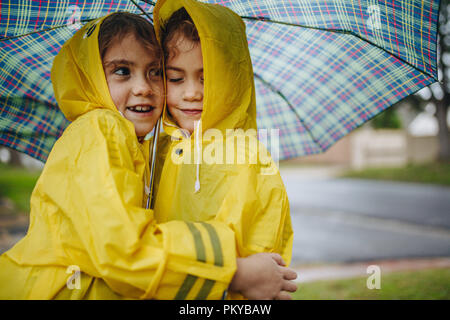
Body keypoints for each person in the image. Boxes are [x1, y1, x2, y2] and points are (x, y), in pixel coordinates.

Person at [0, 12, 295, 300]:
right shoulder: (101, 128)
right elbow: (121, 249)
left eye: (155, 73)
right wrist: (234, 273)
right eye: (122, 71)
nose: (143, 88)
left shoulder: (155, 148)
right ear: (90, 76)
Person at [152, 0, 296, 300]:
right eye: (175, 78)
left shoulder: (249, 159)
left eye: (209, 79)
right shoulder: (160, 150)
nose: (191, 93)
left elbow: (263, 262)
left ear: (233, 79)